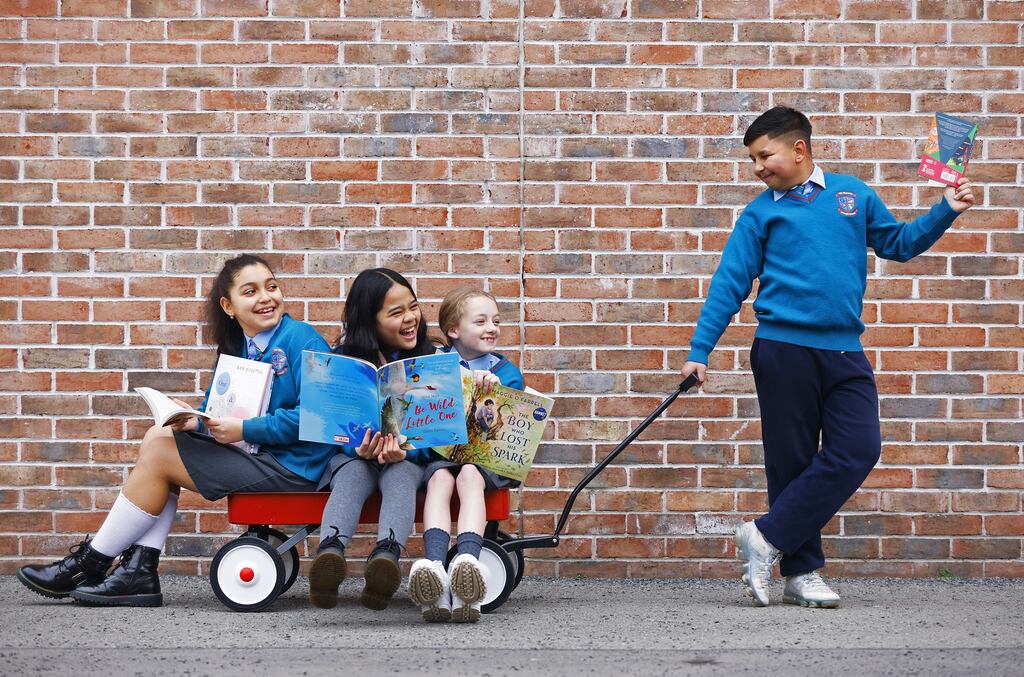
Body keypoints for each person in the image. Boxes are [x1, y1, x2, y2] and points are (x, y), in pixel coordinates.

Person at [680, 107, 975, 609]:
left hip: (844, 351)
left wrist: (945, 208)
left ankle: (766, 536)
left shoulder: (852, 195)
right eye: (752, 159)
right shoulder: (760, 213)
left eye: (763, 155)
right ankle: (802, 572)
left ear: (798, 149)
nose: (757, 168)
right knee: (791, 464)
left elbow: (898, 244)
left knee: (859, 448)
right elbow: (729, 284)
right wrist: (699, 351)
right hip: (782, 351)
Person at [17, 254, 336, 606]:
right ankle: (134, 570)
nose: (266, 297)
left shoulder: (300, 338)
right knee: (160, 437)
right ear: (228, 306)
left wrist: (245, 428)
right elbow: (220, 410)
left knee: (158, 451)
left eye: (271, 287)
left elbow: (316, 417)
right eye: (251, 291)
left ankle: (93, 563)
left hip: (295, 466)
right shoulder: (238, 349)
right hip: (258, 456)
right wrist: (195, 420)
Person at [308, 268, 438, 611]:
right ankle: (330, 554)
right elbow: (334, 426)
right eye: (396, 313)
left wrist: (407, 451)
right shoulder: (344, 361)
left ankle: (385, 558)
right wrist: (358, 447)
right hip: (356, 458)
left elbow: (441, 433)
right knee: (352, 471)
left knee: (402, 475)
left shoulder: (434, 361)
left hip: (406, 461)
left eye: (413, 307)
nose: (410, 318)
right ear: (370, 320)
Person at [408, 288, 524, 623]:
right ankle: (435, 569)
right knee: (440, 477)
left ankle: (467, 564)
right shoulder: (436, 367)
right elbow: (425, 422)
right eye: (481, 321)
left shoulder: (505, 369)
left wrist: (493, 392)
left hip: (486, 459)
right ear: (454, 330)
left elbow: (511, 426)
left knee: (470, 474)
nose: (492, 327)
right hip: (446, 455)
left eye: (496, 321)